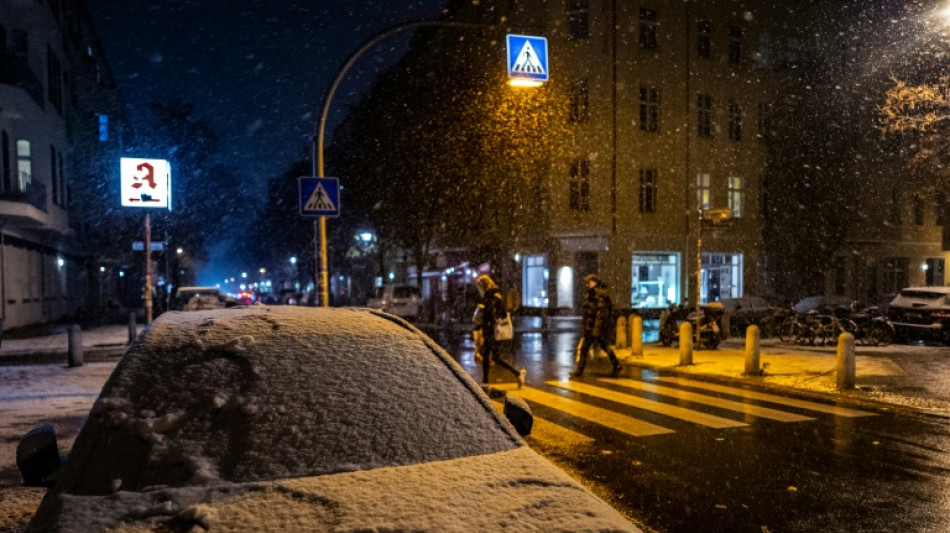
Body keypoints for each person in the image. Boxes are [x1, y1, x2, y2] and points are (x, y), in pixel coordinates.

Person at [473, 274, 526, 389]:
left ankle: (486, 382)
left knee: (489, 356)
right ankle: (516, 374)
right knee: (493, 357)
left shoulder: (493, 297)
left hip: (493, 331)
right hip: (489, 330)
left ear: (483, 286)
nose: (479, 290)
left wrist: (490, 316)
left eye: (479, 287)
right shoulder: (490, 296)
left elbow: (502, 313)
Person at [571, 273, 622, 378]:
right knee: (586, 348)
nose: (587, 285)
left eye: (588, 282)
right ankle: (579, 370)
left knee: (604, 347)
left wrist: (596, 331)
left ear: (594, 283)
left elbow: (600, 315)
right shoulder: (590, 294)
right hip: (591, 328)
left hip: (597, 329)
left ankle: (616, 365)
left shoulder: (600, 296)